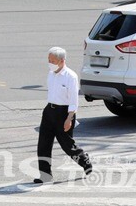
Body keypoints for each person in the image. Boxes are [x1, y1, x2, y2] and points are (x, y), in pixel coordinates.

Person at [35, 46, 93, 183]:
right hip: (49, 111)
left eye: (53, 61)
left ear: (62, 61)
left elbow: (73, 100)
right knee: (43, 144)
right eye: (49, 60)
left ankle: (84, 161)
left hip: (64, 113)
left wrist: (69, 118)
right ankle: (45, 175)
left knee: (68, 146)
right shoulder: (51, 73)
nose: (50, 63)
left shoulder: (70, 76)